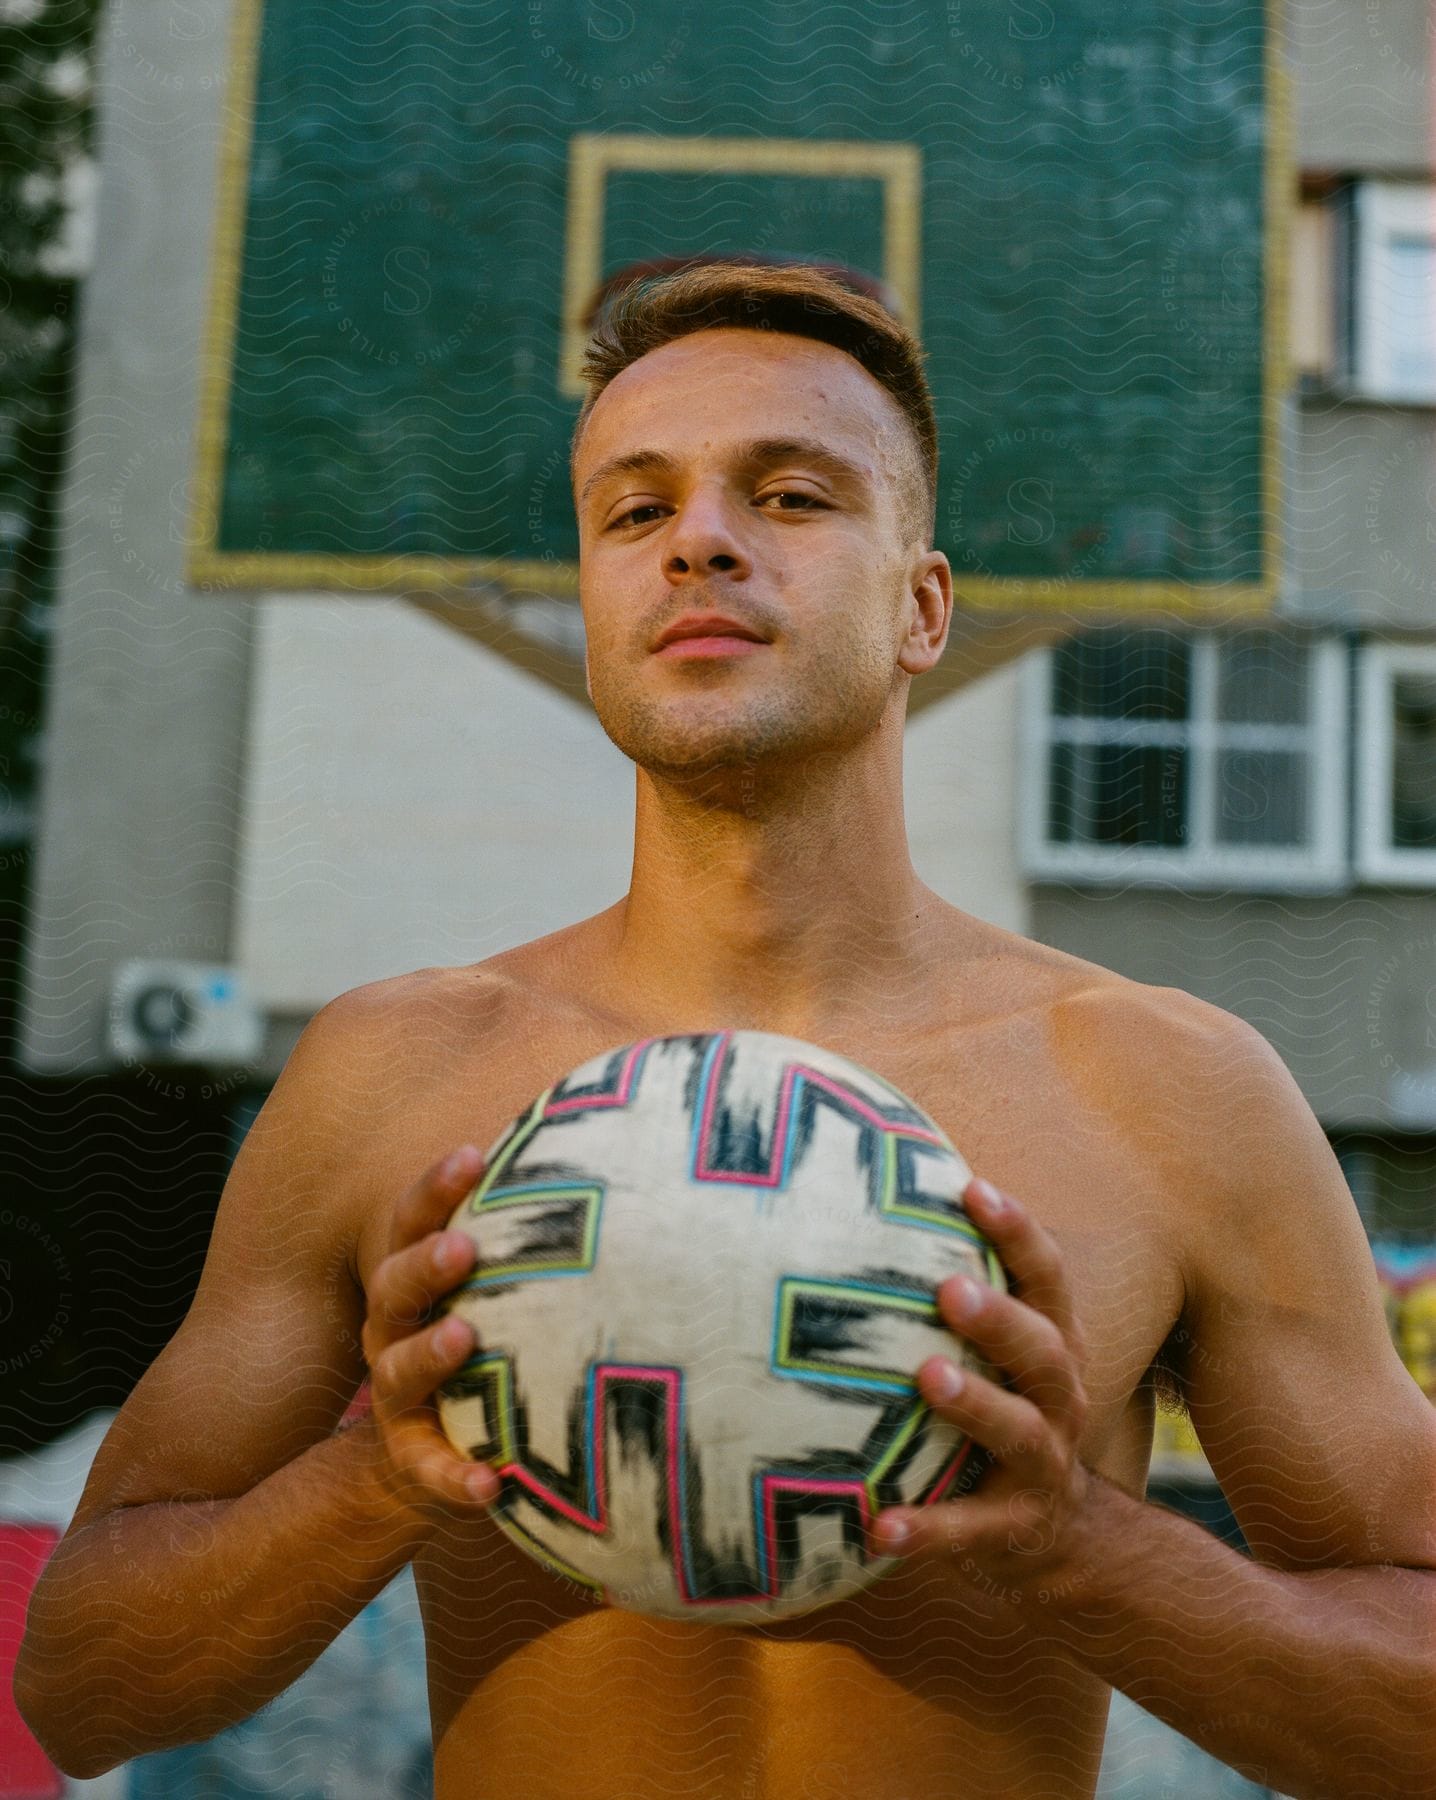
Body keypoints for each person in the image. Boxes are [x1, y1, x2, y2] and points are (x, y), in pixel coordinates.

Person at [16, 263, 1436, 1800]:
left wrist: (1081, 1553)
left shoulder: (1168, 1089)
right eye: (635, 512)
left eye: (792, 496)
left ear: (923, 605)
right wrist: (382, 1478)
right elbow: (83, 1690)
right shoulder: (396, 1076)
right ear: (595, 608)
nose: (698, 538)